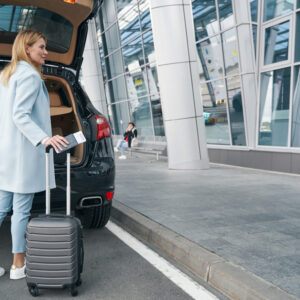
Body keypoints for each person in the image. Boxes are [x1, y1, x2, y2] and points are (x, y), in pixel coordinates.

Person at [0, 30, 68, 279]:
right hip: (23, 155)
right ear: (27, 48)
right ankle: (19, 264)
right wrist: (44, 138)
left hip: (6, 153)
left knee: (1, 208)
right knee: (20, 210)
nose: (45, 52)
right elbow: (21, 115)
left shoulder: (7, 75)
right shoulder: (29, 76)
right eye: (41, 47)